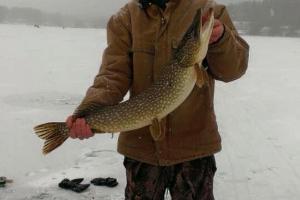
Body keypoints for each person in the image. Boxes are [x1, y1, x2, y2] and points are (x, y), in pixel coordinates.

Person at [66, 0, 249, 199]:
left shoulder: (207, 9)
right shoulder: (126, 17)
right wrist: (86, 112)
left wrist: (221, 39)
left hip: (194, 148)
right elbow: (112, 75)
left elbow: (233, 70)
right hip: (141, 148)